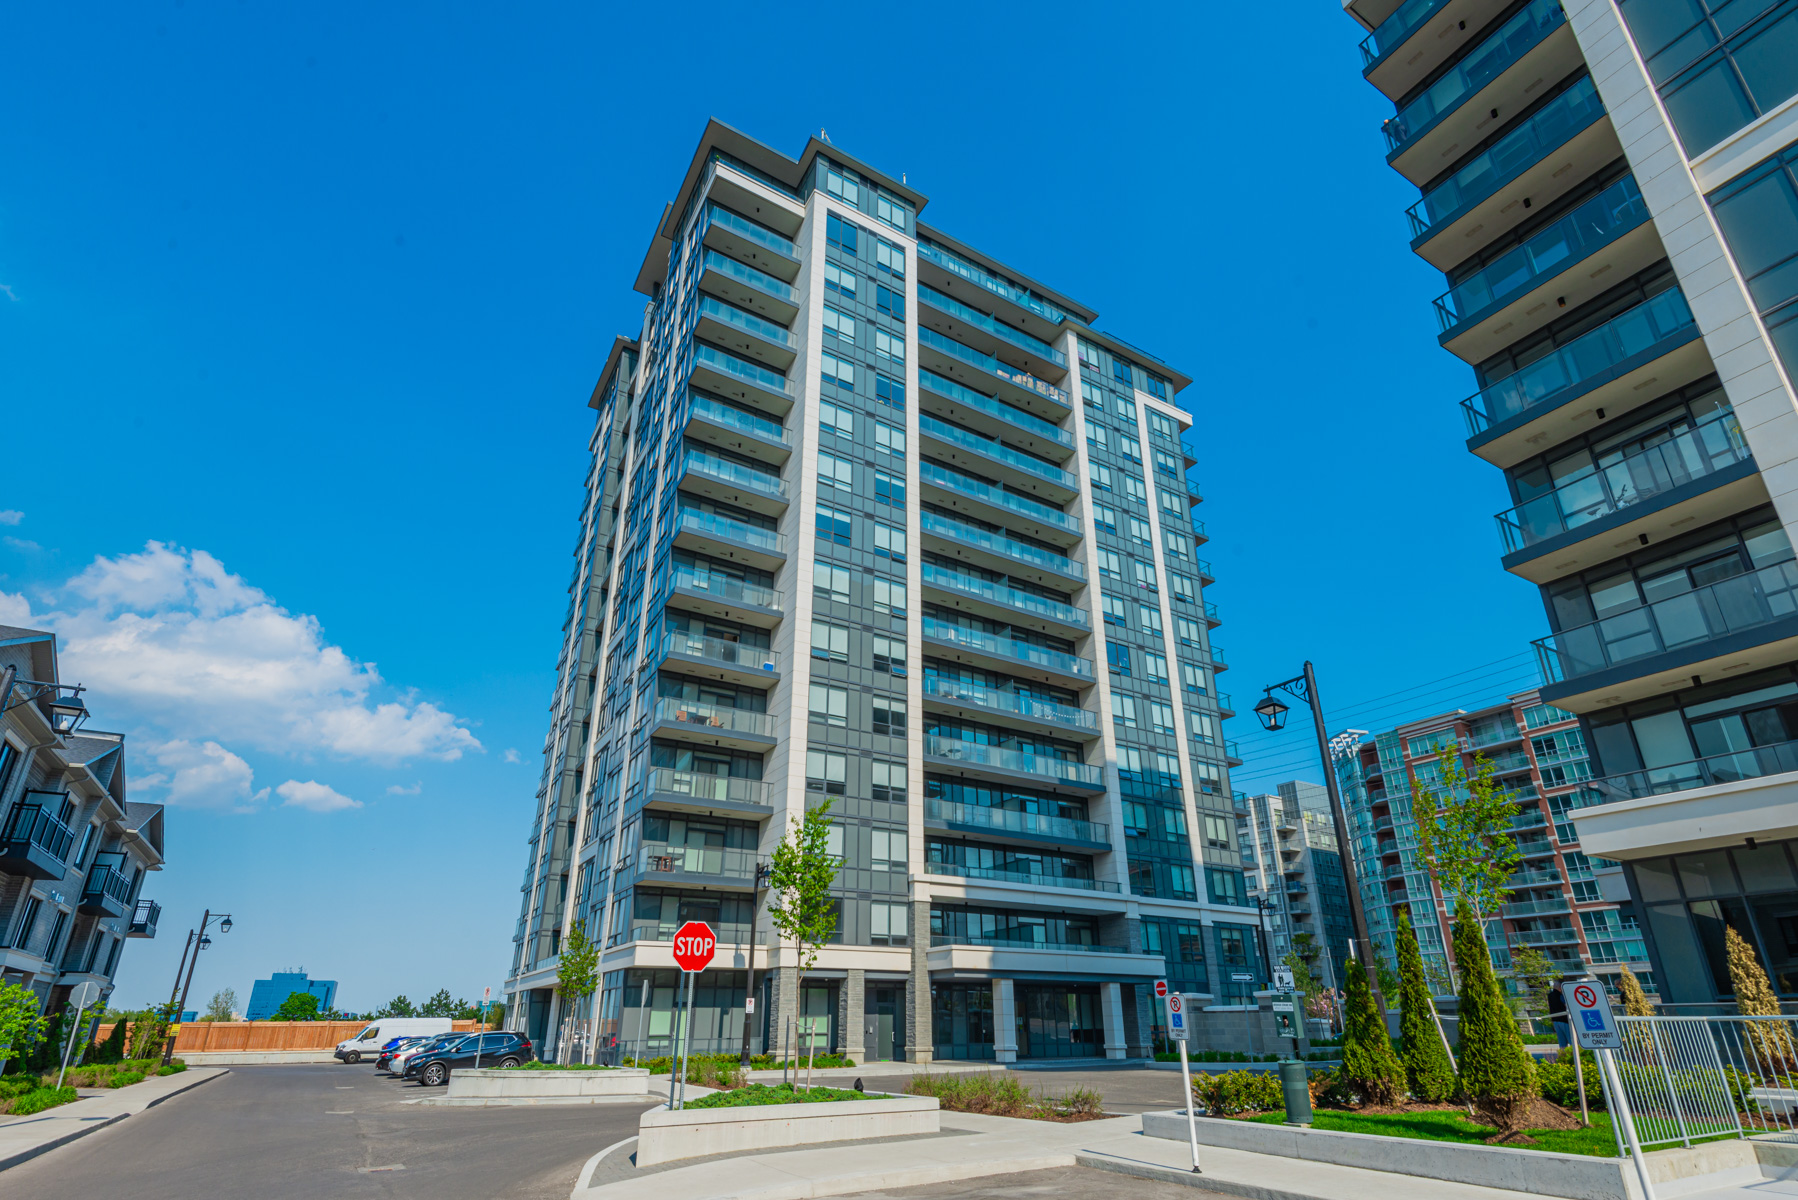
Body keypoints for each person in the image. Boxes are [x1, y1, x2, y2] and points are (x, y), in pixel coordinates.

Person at [1548, 975, 1571, 1048]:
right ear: (1560, 988)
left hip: (1555, 1020)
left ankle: (1563, 1057)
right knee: (1572, 1040)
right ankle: (1575, 1056)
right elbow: (1566, 1005)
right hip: (1564, 1020)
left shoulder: (1550, 995)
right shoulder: (1561, 995)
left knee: (1562, 1044)